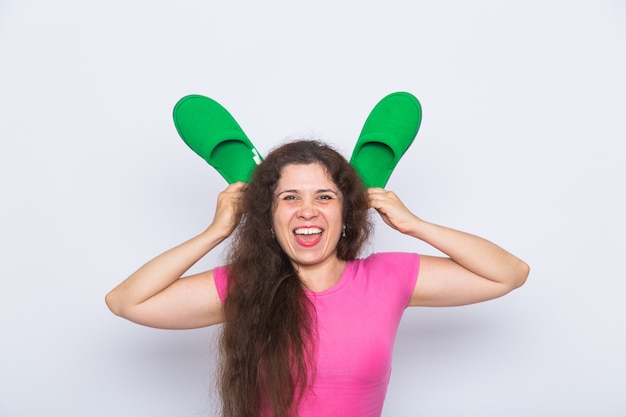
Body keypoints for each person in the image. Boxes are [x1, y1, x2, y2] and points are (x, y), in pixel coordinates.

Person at [105, 140, 529, 417]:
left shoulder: (387, 277)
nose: (307, 210)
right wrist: (216, 231)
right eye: (290, 198)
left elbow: (508, 274)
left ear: (346, 213)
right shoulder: (243, 287)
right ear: (268, 218)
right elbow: (127, 302)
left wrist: (415, 225)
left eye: (324, 197)